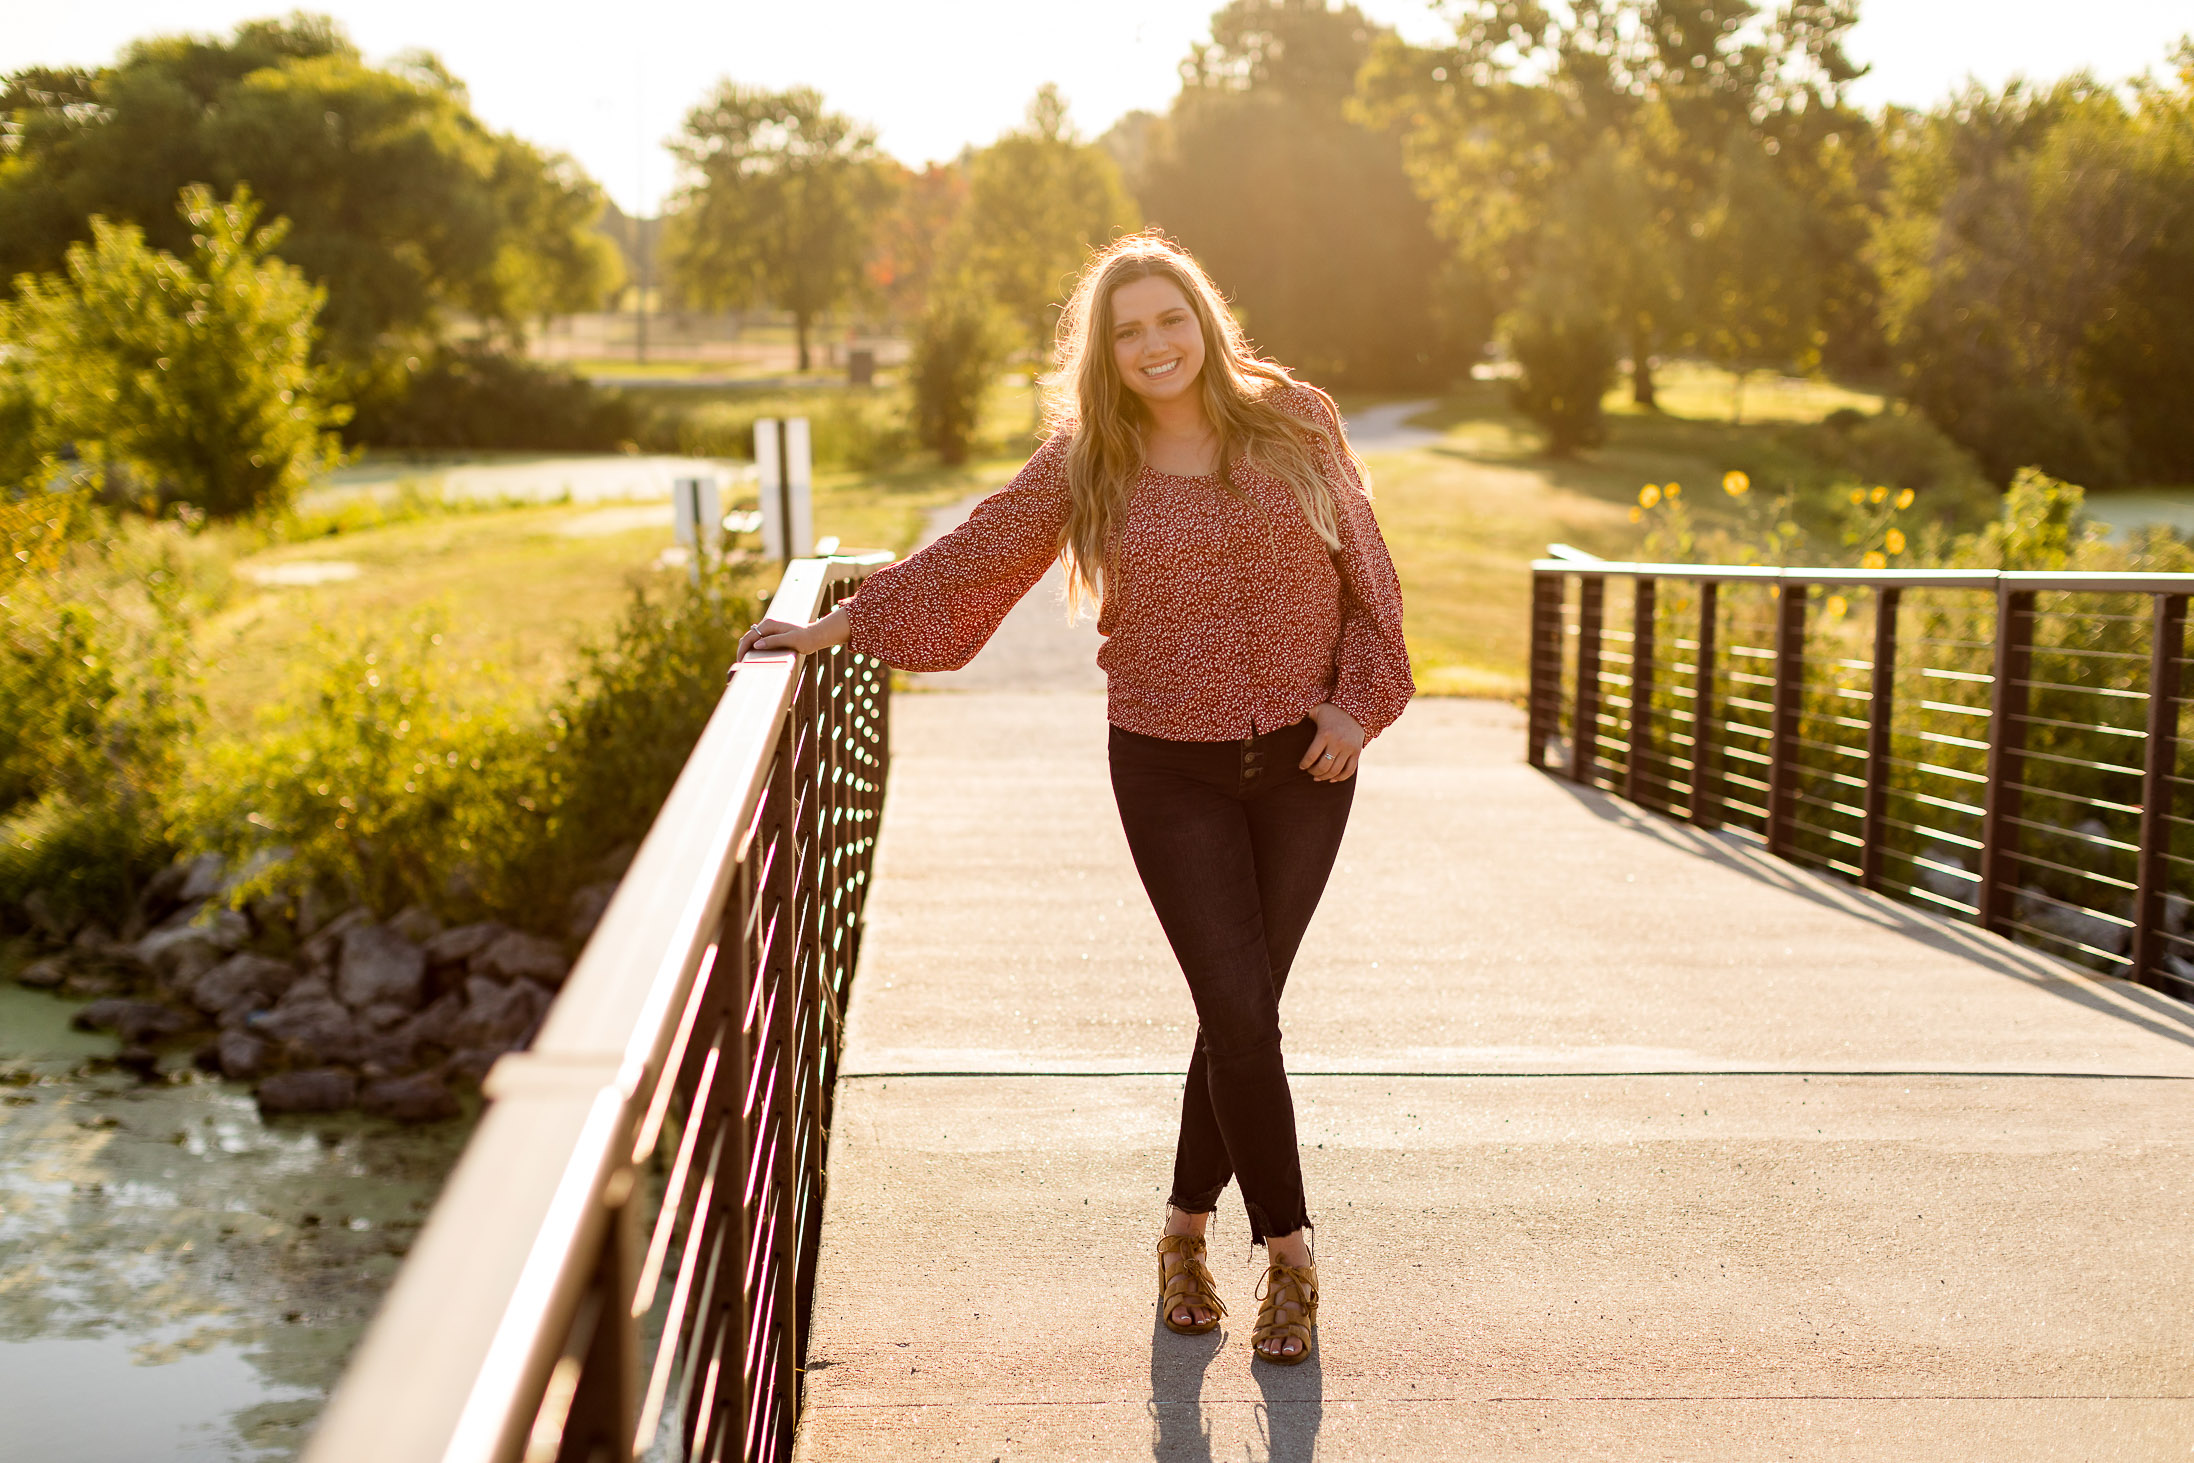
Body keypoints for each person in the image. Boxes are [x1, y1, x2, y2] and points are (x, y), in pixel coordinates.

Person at [735, 230, 1412, 1364]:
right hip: (1164, 761)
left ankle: (1180, 1232)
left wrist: (1360, 702)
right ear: (1104, 351)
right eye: (1128, 330)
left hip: (1306, 762)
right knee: (1242, 1010)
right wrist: (830, 627)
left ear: (1204, 319)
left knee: (1235, 1011)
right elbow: (978, 550)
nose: (1154, 345)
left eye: (1169, 320)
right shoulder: (1089, 454)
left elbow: (1367, 566)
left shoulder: (1296, 417)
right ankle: (1290, 1256)